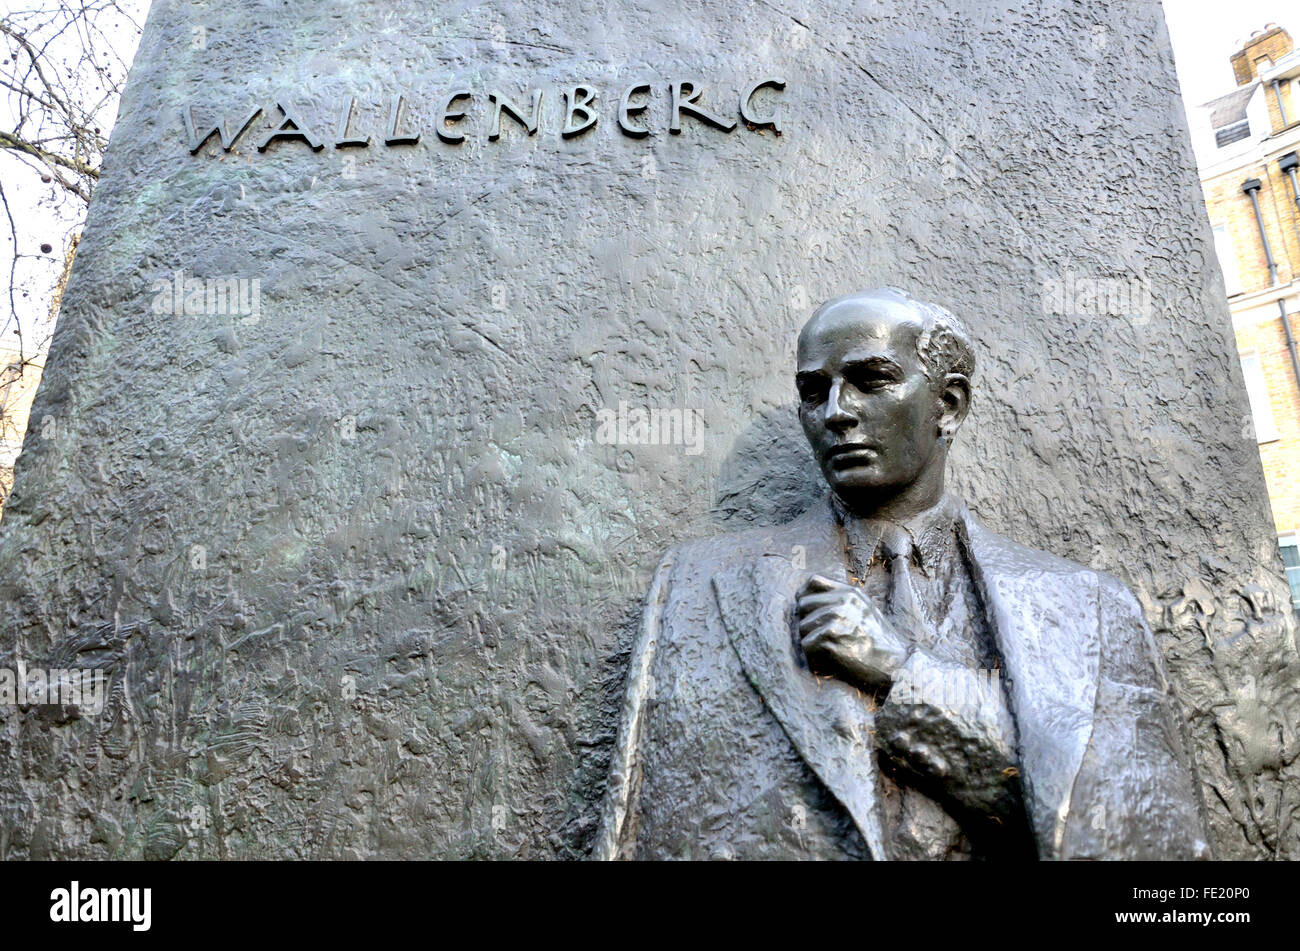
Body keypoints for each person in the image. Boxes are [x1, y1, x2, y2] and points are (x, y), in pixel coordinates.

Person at [594, 287, 1210, 860]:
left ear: (949, 404)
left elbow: (1137, 836)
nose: (836, 412)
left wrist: (901, 674)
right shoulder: (699, 586)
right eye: (814, 391)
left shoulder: (1088, 609)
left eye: (871, 380)